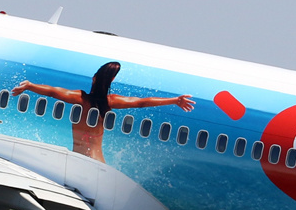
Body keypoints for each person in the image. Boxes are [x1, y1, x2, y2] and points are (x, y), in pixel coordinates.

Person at [17, 61, 194, 162]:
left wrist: (30, 86)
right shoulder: (110, 102)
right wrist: (174, 100)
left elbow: (53, 91)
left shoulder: (80, 98)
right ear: (112, 80)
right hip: (97, 163)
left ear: (93, 78)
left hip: (80, 162)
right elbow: (140, 102)